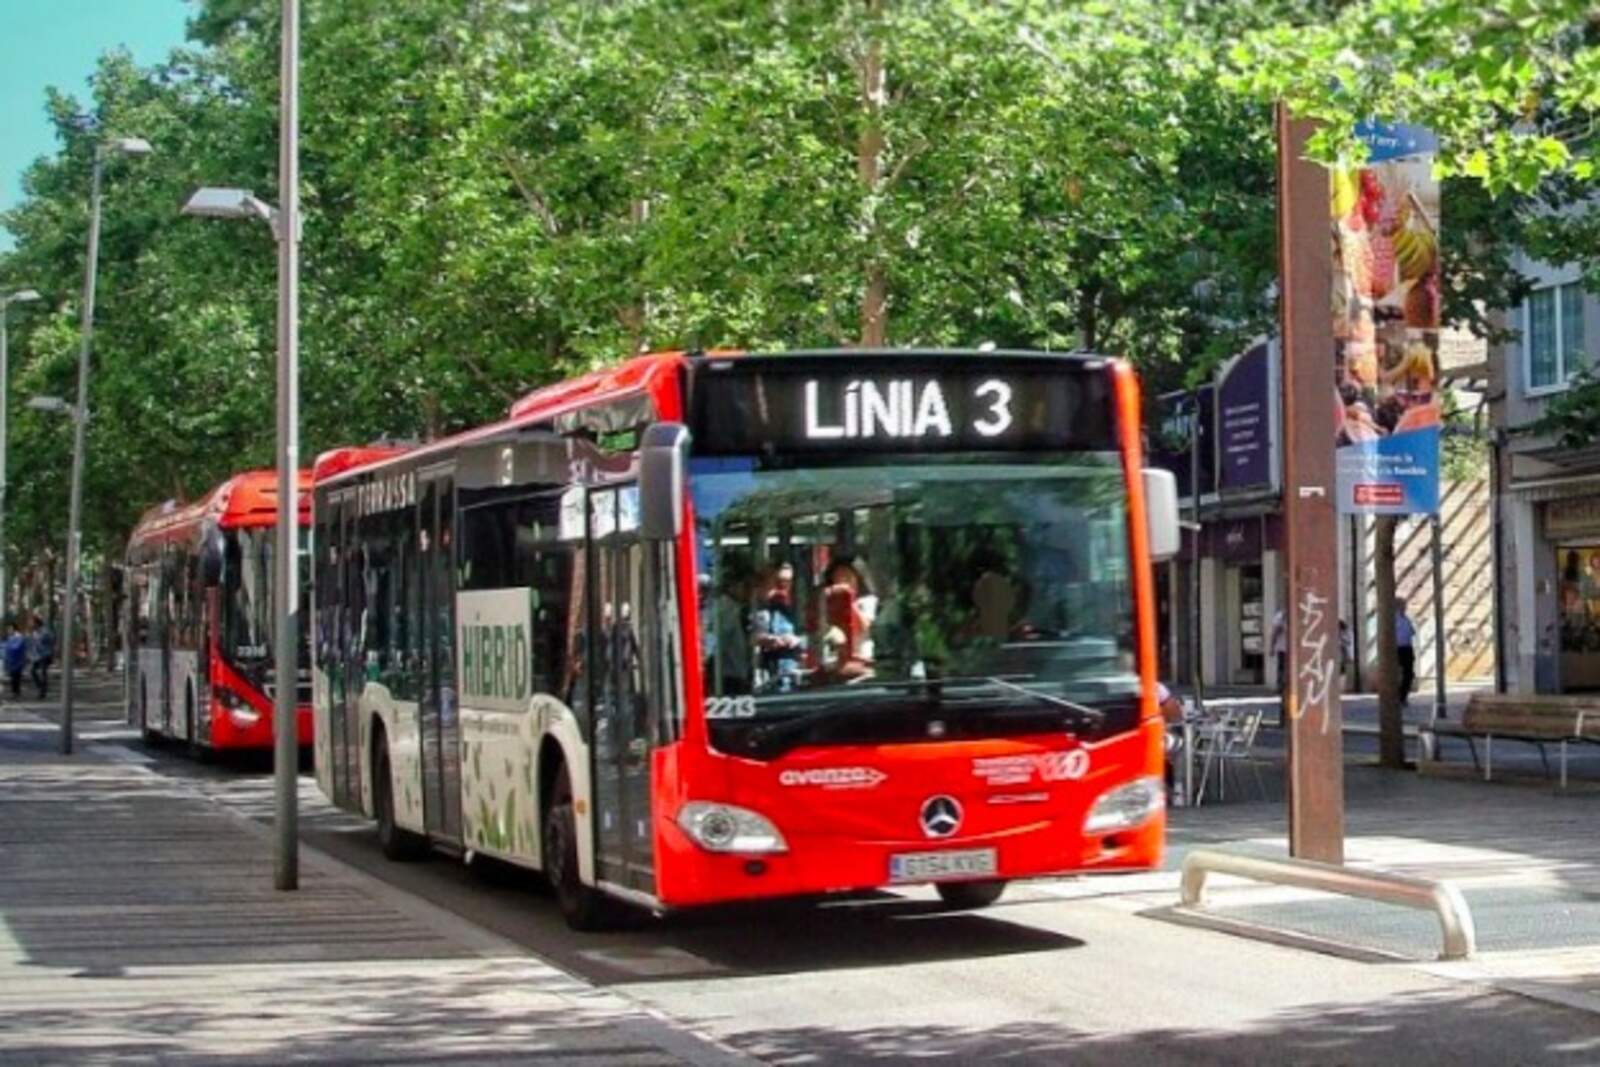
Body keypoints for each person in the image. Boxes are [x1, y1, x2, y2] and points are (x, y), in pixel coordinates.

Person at [752, 563, 805, 691]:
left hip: (796, 672)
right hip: (768, 675)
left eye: (787, 583)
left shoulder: (800, 608)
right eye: (778, 582)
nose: (783, 587)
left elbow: (818, 637)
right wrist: (768, 640)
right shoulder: (758, 609)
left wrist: (797, 640)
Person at [1395, 598, 1416, 706]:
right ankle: (1398, 696)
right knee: (1398, 674)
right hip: (1397, 649)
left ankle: (1402, 696)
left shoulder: (1406, 618)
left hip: (1407, 648)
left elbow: (1412, 632)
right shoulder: (1394, 618)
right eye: (1402, 605)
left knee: (1409, 674)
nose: (1405, 607)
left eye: (1405, 605)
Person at [29, 615, 54, 700]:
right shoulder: (34, 632)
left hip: (45, 654)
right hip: (38, 656)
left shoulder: (45, 631)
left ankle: (42, 692)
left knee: (43, 673)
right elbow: (34, 645)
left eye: (32, 622)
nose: (31, 624)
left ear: (36, 623)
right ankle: (41, 687)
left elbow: (51, 641)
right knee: (32, 671)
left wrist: (51, 652)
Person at [4, 623, 27, 700]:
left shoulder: (19, 637)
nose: (8, 630)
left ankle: (16, 693)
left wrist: (8, 647)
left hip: (17, 661)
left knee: (16, 678)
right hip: (12, 661)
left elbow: (16, 647)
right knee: (14, 677)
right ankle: (15, 693)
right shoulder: (11, 637)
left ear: (14, 629)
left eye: (10, 629)